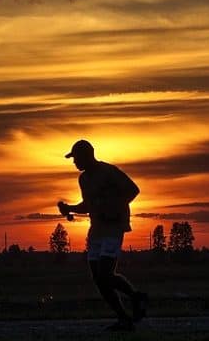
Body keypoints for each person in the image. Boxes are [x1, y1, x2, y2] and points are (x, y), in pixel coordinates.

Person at [57, 139, 148, 331]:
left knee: (105, 274)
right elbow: (88, 205)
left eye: (76, 158)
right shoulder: (83, 179)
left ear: (87, 156)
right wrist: (70, 208)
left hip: (114, 228)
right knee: (99, 279)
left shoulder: (109, 171)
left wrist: (114, 208)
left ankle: (136, 298)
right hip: (96, 230)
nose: (74, 162)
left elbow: (133, 190)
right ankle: (125, 317)